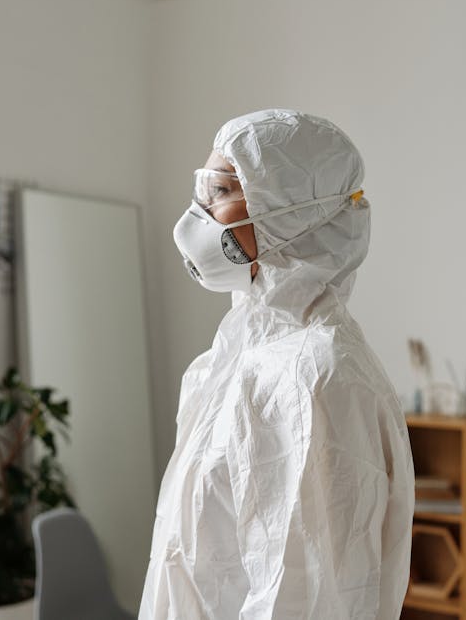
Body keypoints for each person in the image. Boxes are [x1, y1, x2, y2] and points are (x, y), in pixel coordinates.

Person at [140, 109, 414, 620]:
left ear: (290, 211)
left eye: (220, 191)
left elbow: (311, 599)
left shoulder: (320, 377)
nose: (196, 214)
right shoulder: (240, 353)